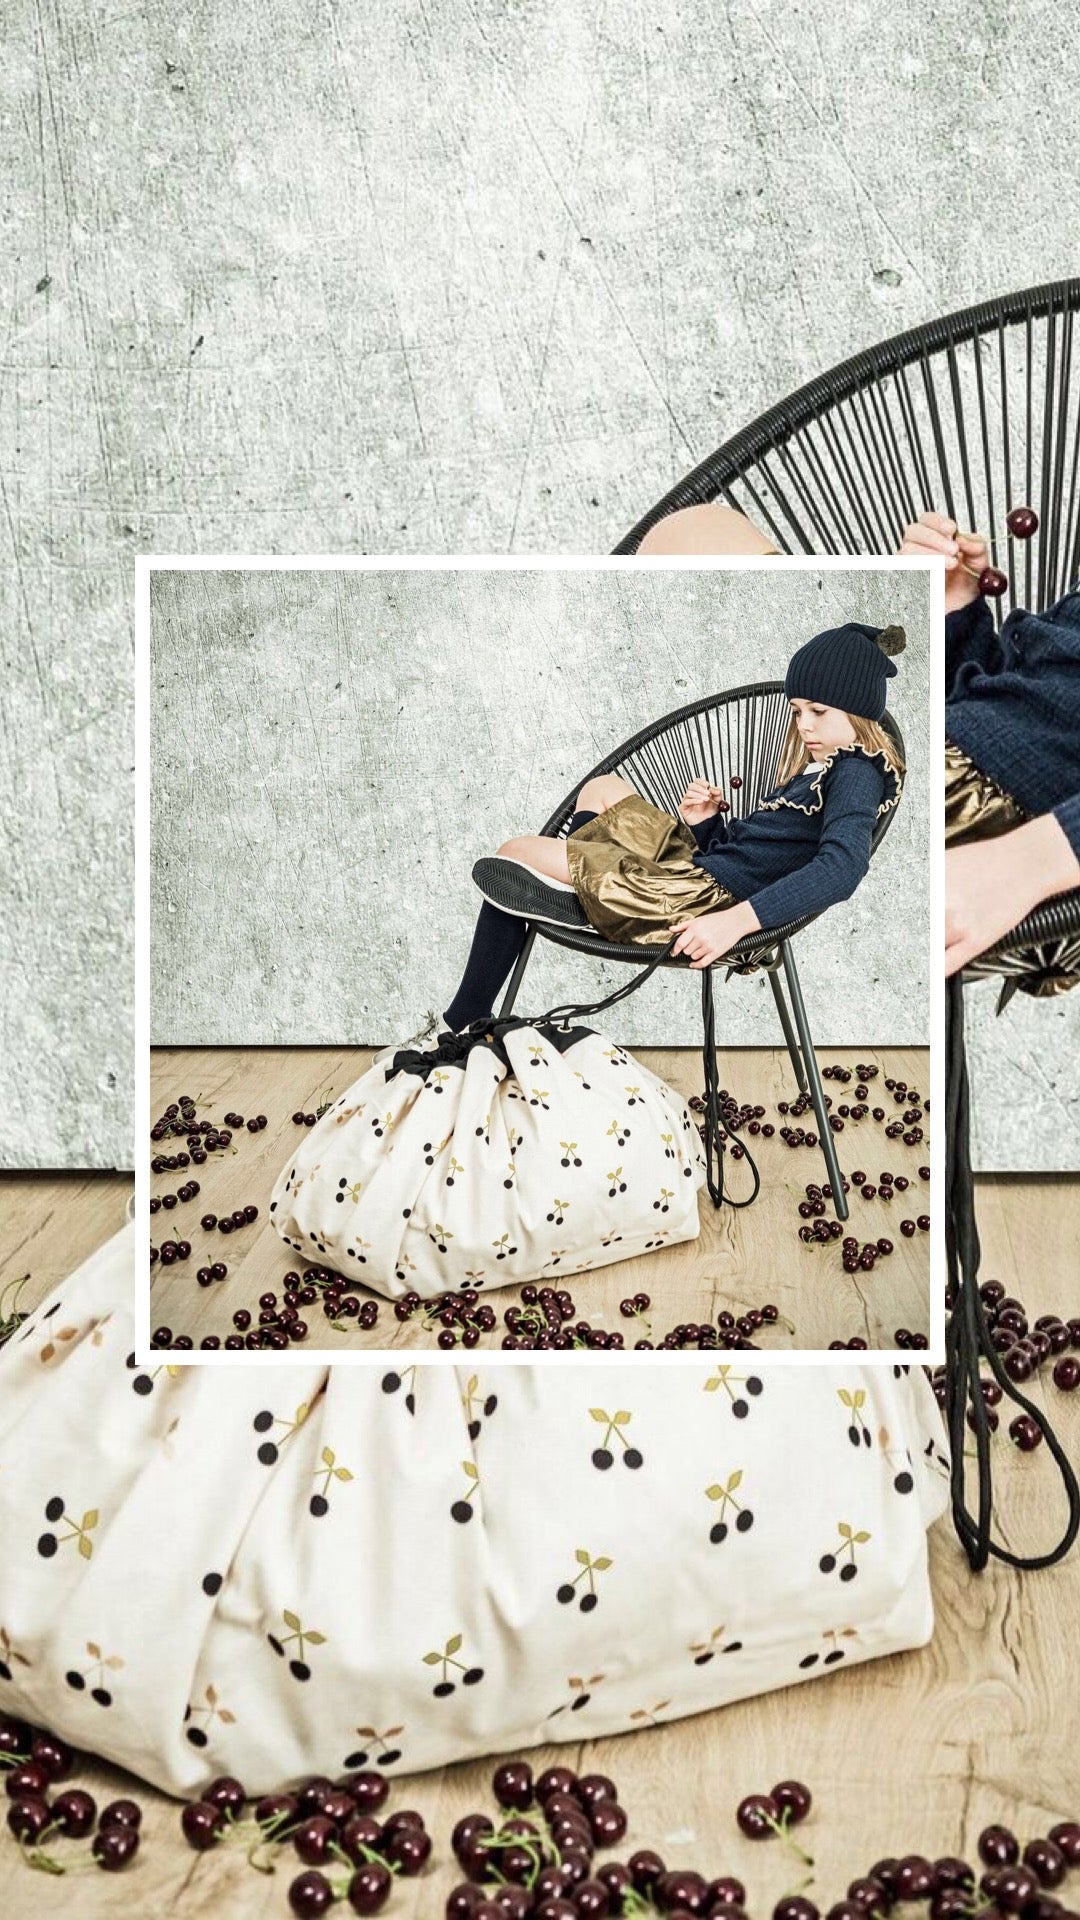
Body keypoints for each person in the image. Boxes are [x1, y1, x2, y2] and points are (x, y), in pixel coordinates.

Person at [435, 620, 907, 1036]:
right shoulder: (818, 767)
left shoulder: (858, 772)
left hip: (700, 900)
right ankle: (593, 895)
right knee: (601, 789)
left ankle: (467, 1015)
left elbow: (842, 868)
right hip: (696, 871)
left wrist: (734, 922)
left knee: (515, 853)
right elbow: (752, 857)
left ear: (857, 710)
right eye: (798, 711)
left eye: (818, 711)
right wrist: (705, 824)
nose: (804, 725)